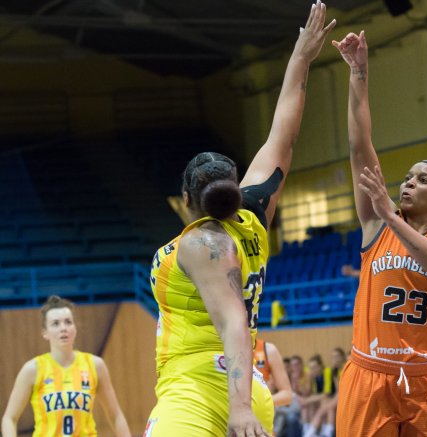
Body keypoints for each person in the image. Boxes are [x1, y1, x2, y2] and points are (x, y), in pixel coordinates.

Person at [144, 4, 336, 436]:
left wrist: (240, 410)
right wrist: (300, 59)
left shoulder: (201, 244)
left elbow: (231, 321)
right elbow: (283, 134)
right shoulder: (253, 217)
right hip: (246, 387)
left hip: (200, 392)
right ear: (235, 187)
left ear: (185, 198)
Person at [332, 30, 427, 436]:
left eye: (422, 179)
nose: (408, 183)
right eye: (407, 177)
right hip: (370, 375)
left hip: (426, 379)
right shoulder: (375, 223)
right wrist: (359, 72)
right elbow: (360, 145)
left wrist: (391, 218)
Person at [1, 295, 130, 437]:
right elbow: (9, 418)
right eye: (55, 323)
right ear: (45, 332)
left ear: (75, 328)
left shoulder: (95, 365)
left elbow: (116, 415)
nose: (63, 328)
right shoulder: (33, 369)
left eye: (68, 322)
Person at [304, 348, 346, 437]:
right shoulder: (334, 371)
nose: (335, 359)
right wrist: (309, 379)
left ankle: (312, 433)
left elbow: (328, 393)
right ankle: (318, 432)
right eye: (311, 368)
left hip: (338, 396)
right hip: (333, 397)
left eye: (337, 356)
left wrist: (308, 400)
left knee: (326, 404)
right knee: (312, 405)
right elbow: (312, 393)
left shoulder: (328, 371)